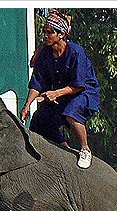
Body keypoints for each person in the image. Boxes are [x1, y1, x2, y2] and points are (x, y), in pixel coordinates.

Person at [20, 9, 100, 169]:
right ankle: (64, 150)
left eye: (50, 32)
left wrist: (56, 93)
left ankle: (85, 149)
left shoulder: (76, 52)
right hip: (63, 95)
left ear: (61, 34)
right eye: (45, 32)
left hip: (84, 93)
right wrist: (27, 105)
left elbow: (78, 85)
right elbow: (37, 83)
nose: (46, 36)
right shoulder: (45, 55)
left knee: (71, 113)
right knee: (39, 119)